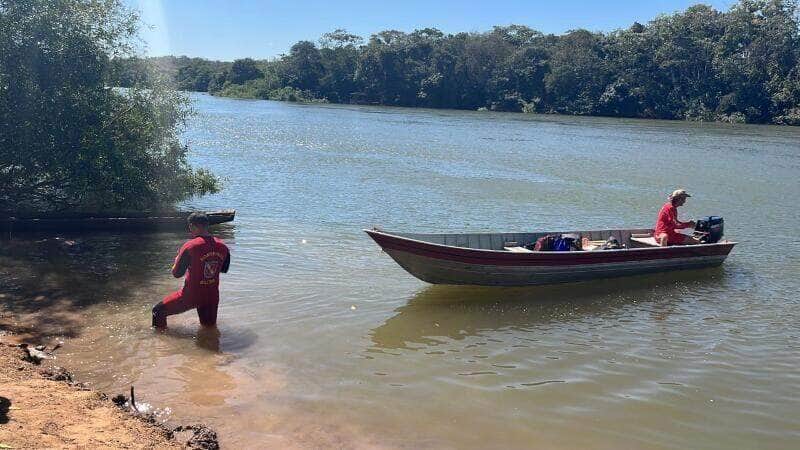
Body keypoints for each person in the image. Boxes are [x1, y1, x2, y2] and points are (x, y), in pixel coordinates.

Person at [152, 212, 230, 329]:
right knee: (209, 328)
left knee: (158, 311)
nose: (189, 229)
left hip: (191, 295)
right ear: (206, 225)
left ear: (193, 226)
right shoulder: (223, 246)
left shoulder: (190, 246)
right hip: (212, 296)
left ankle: (161, 342)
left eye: (189, 226)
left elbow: (177, 274)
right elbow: (223, 269)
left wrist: (176, 260)